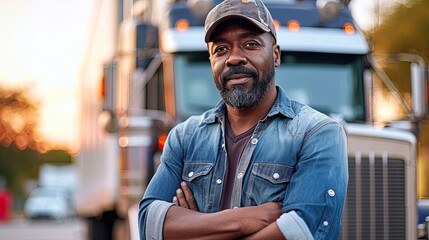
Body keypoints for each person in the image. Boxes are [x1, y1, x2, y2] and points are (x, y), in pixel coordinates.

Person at [138, 0, 348, 239]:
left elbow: (302, 230)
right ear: (211, 61)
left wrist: (196, 227)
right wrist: (246, 220)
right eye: (221, 49)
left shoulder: (318, 133)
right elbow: (149, 224)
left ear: (276, 55)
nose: (234, 58)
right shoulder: (184, 137)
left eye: (250, 44)